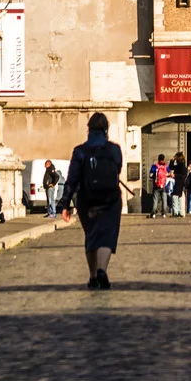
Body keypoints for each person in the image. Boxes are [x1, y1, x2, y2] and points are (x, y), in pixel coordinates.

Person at [58, 112, 125, 287]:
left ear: (89, 129)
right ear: (106, 129)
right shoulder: (114, 149)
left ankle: (93, 275)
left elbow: (72, 179)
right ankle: (102, 269)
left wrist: (65, 204)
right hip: (110, 199)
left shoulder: (80, 151)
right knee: (107, 235)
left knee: (92, 235)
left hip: (87, 200)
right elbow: (118, 169)